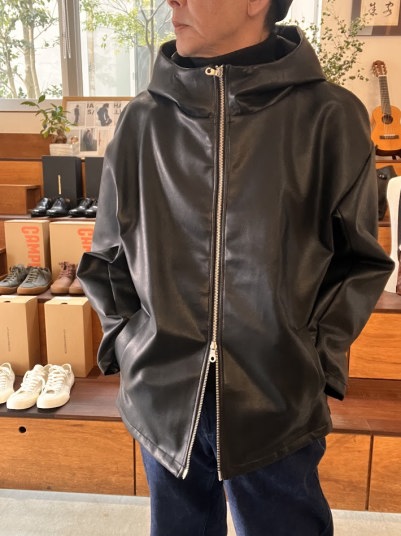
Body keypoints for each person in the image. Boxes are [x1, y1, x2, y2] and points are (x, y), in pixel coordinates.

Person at [77, 0, 394, 534]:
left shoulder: (329, 117)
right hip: (163, 398)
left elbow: (359, 260)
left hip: (277, 400)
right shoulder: (142, 120)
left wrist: (313, 360)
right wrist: (130, 346)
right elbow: (106, 258)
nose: (172, 1)